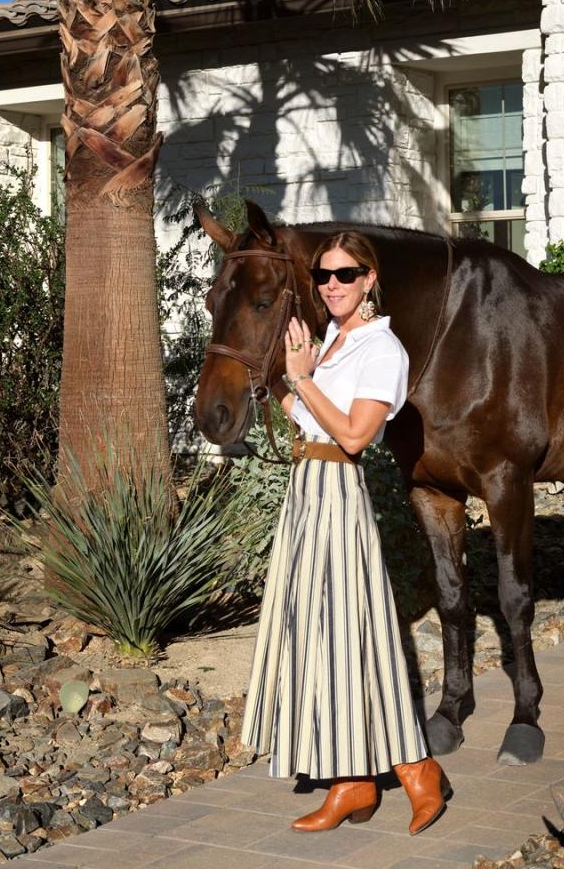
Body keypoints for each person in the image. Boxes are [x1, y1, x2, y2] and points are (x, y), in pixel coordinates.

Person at [239, 230, 450, 835]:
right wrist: (280, 375)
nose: (332, 285)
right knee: (318, 635)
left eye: (345, 275)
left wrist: (303, 380)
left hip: (339, 494)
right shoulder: (331, 341)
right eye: (323, 276)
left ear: (370, 280)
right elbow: (308, 420)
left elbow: (355, 436)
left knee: (357, 631)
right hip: (306, 491)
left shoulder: (382, 350)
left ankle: (416, 771)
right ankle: (351, 783)